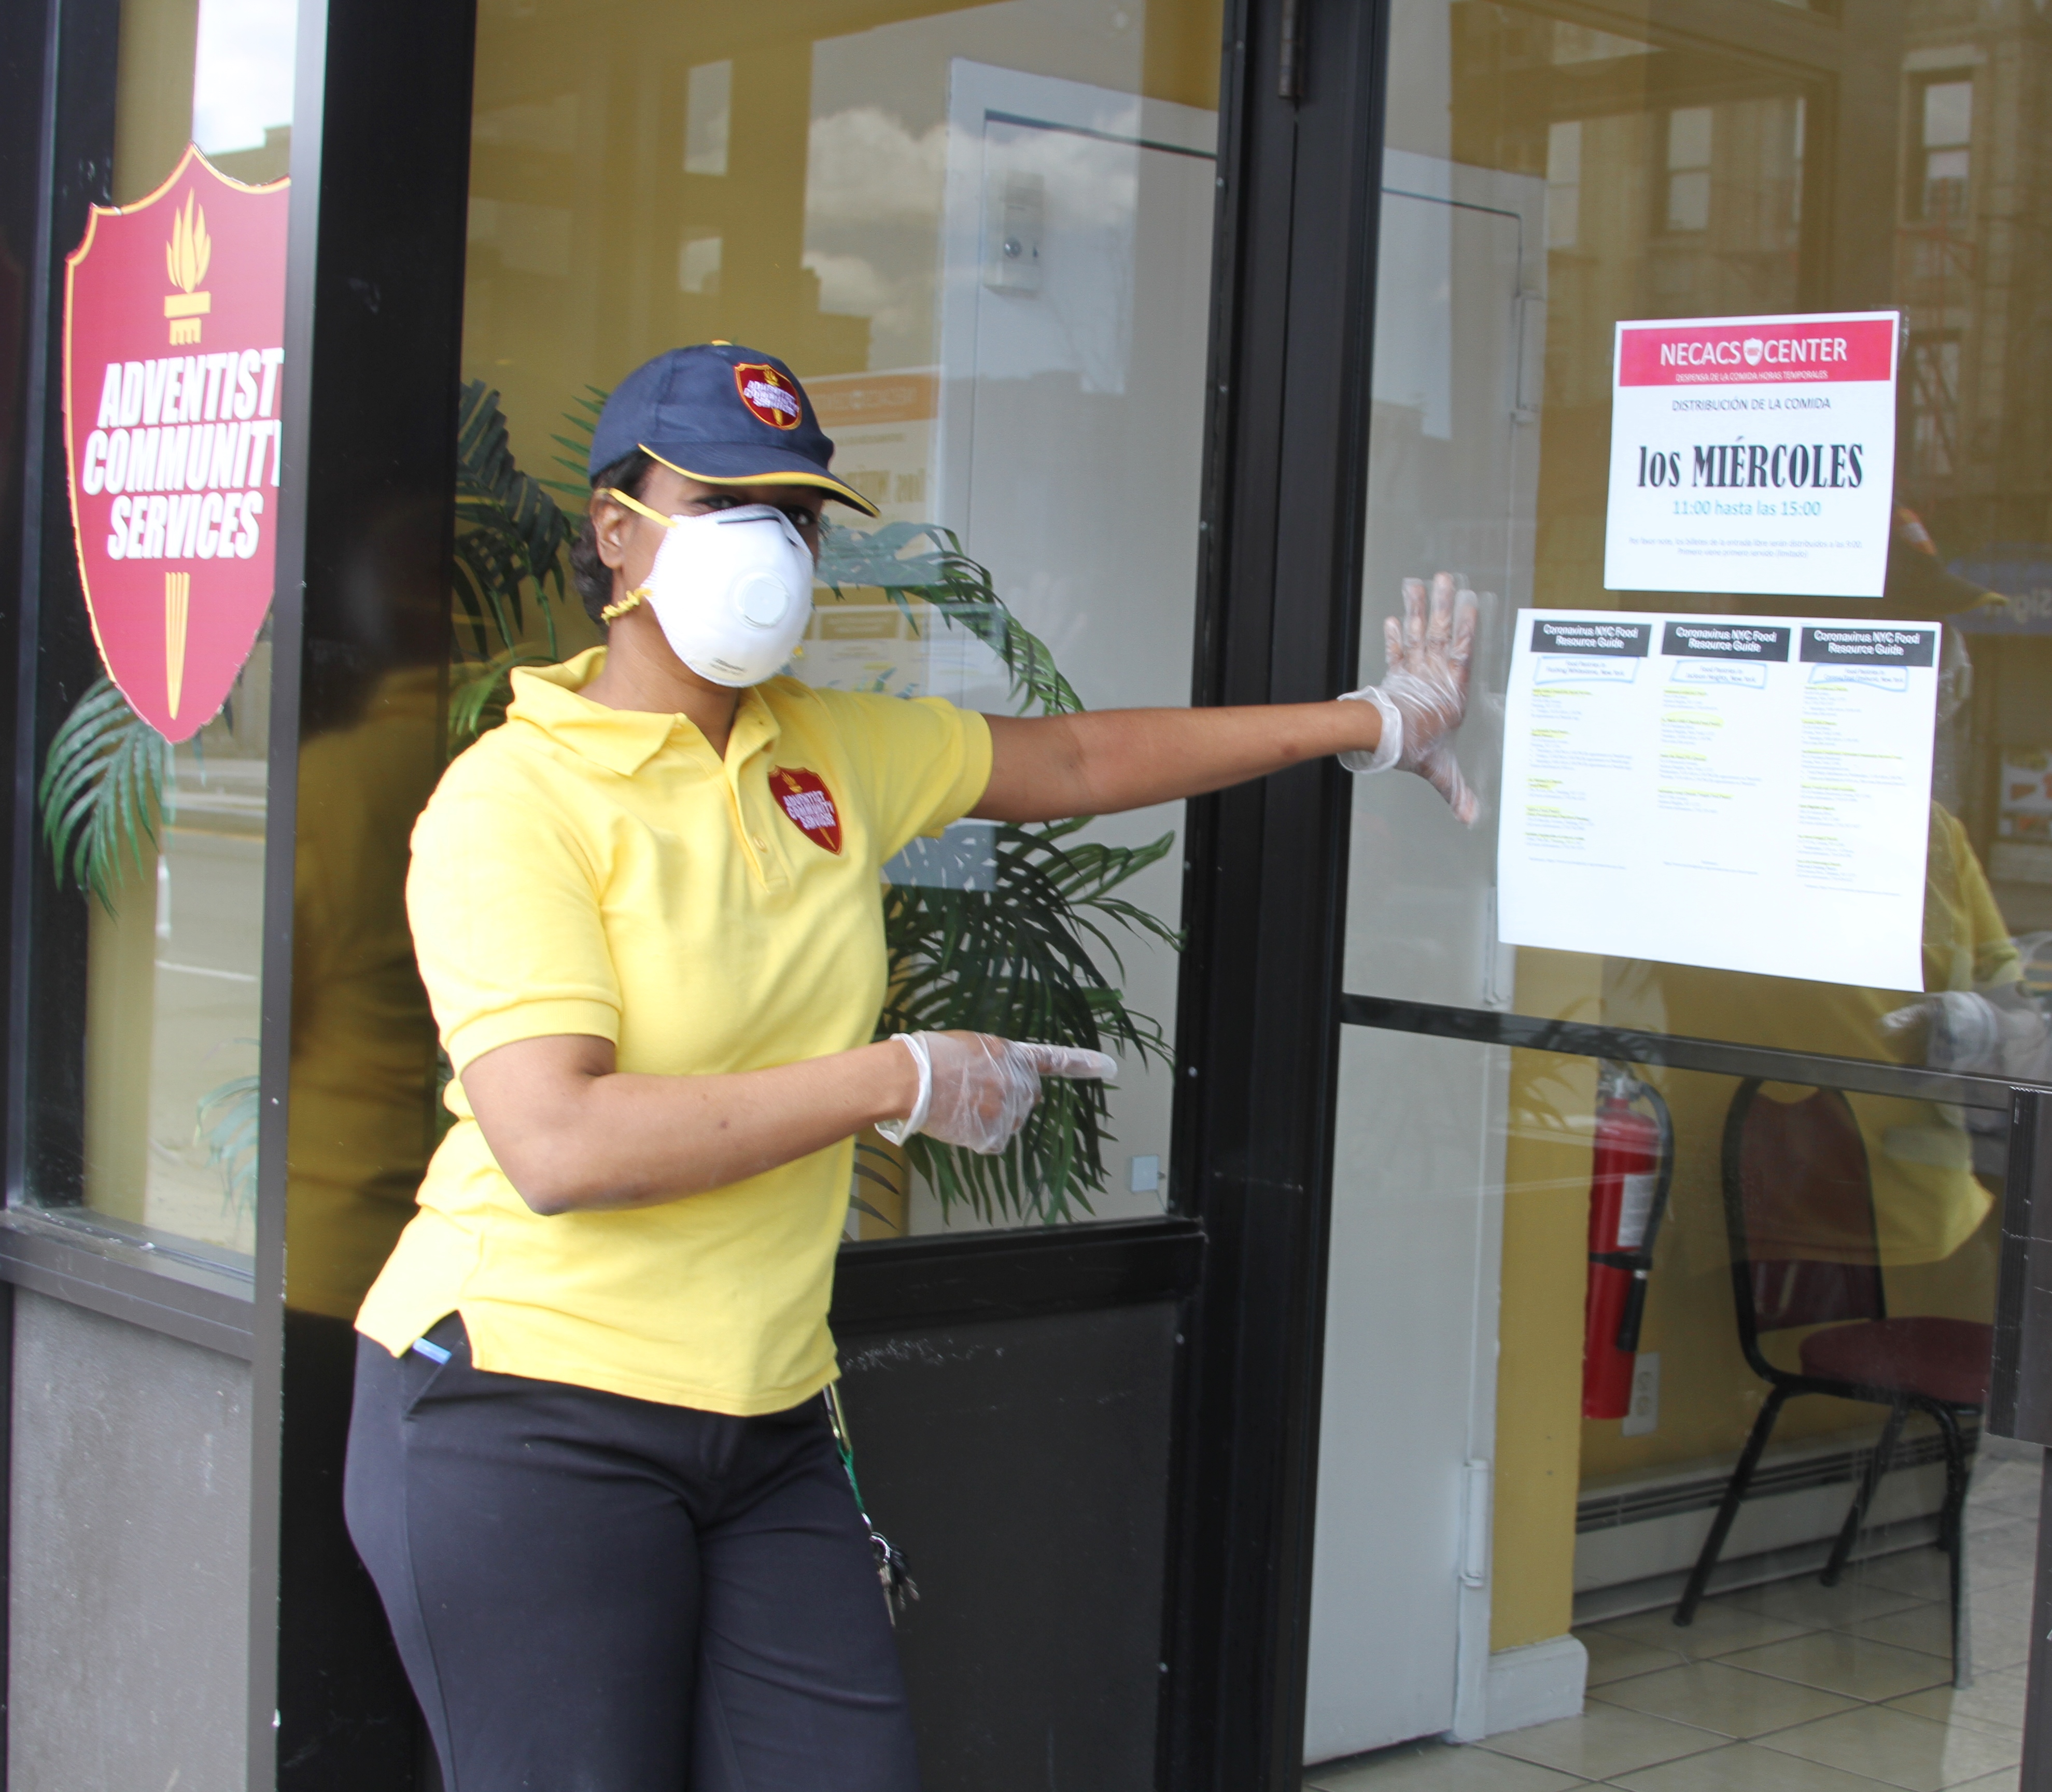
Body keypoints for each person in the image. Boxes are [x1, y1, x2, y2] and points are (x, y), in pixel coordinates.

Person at [341, 342, 1478, 1790]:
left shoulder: (828, 752)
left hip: (763, 1421)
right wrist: (896, 1081)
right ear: (615, 528)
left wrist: (1371, 723)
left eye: (798, 517)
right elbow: (557, 1144)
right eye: (728, 502)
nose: (773, 548)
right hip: (526, 1413)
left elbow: (1070, 763)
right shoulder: (516, 799)